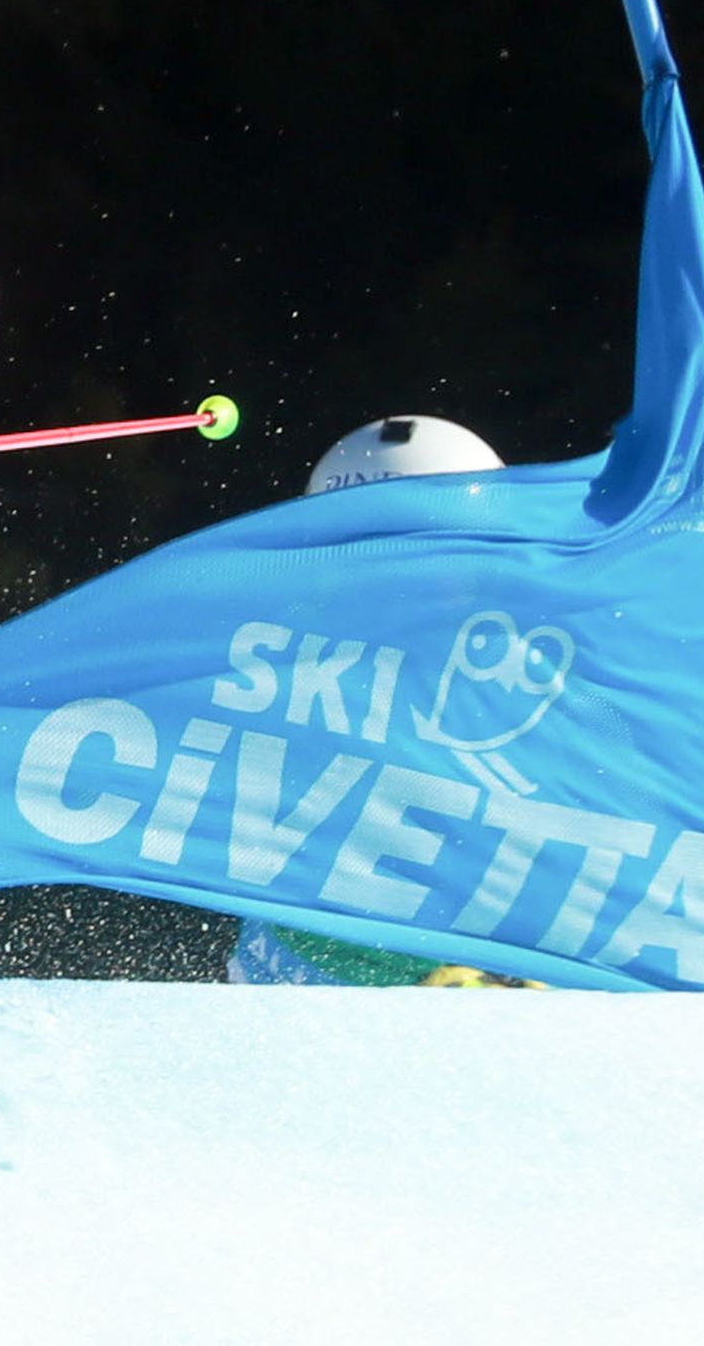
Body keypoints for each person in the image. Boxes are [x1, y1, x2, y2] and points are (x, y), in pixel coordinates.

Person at [227, 415, 541, 987]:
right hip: (320, 993)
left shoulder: (524, 670)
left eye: (424, 545)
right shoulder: (286, 664)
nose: (391, 571)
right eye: (361, 543)